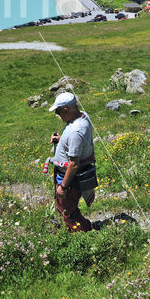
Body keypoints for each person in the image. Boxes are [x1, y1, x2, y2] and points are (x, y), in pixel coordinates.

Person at [49, 92, 97, 233]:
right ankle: (78, 229)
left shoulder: (75, 132)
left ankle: (84, 232)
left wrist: (63, 187)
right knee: (67, 207)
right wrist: (61, 139)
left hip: (70, 180)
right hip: (78, 174)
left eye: (58, 112)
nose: (58, 116)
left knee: (67, 210)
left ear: (66, 110)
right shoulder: (83, 115)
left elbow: (73, 163)